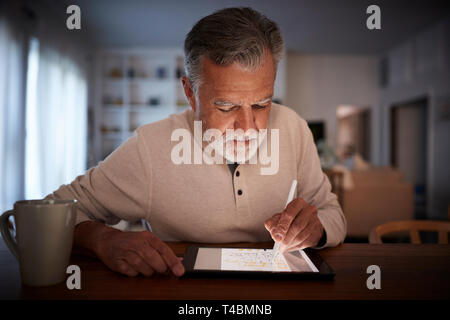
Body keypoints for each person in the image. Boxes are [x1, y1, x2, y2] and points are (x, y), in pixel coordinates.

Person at [46, 7, 346, 277]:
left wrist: (316, 229)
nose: (247, 127)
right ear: (190, 93)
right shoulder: (151, 147)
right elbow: (48, 213)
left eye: (261, 104)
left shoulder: (294, 127)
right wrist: (102, 240)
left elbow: (333, 214)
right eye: (226, 107)